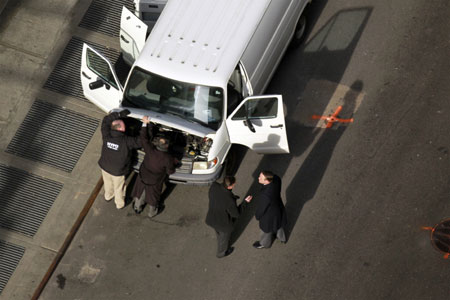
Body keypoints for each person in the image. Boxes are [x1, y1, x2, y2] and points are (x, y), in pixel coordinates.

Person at [132, 116, 177, 217]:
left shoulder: (150, 150)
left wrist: (145, 124)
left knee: (141, 192)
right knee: (153, 197)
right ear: (167, 146)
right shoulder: (168, 158)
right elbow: (170, 171)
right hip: (155, 181)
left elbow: (143, 138)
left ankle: (137, 207)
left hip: (143, 176)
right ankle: (152, 212)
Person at [98, 109, 141, 209]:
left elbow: (105, 121)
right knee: (119, 188)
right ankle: (119, 204)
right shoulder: (126, 141)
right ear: (122, 129)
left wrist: (118, 114)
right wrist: (146, 125)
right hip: (117, 171)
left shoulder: (106, 135)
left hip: (104, 166)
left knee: (107, 182)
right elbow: (141, 142)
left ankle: (108, 196)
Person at [205, 176, 250, 258]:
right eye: (234, 184)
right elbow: (236, 214)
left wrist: (232, 198)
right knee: (224, 239)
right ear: (230, 186)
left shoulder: (214, 186)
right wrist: (245, 202)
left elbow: (219, 198)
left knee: (218, 233)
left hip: (212, 218)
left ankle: (220, 238)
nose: (235, 185)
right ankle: (221, 253)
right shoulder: (229, 201)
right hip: (223, 224)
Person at [246, 170, 287, 249]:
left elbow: (262, 208)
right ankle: (282, 238)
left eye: (260, 177)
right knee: (279, 224)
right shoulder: (276, 179)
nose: (258, 178)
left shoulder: (265, 195)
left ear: (267, 180)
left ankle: (264, 244)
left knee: (266, 231)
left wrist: (257, 216)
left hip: (269, 215)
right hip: (278, 207)